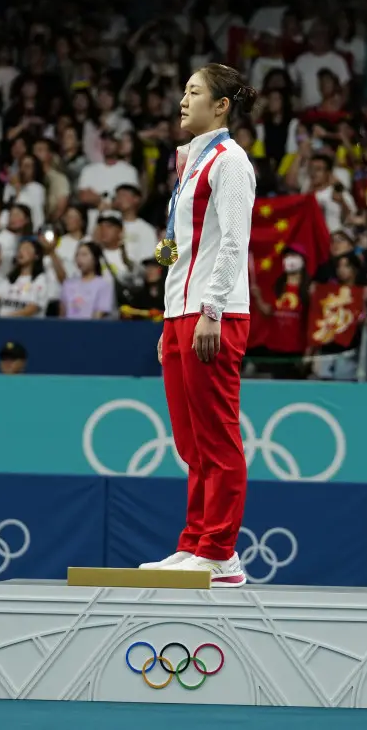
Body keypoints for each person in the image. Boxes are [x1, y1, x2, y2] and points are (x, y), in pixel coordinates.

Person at [140, 63, 257, 586]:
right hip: (181, 313)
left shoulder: (230, 162)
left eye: (193, 92)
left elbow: (234, 241)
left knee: (218, 438)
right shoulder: (191, 162)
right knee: (189, 442)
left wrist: (210, 309)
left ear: (222, 105)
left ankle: (222, 553)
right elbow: (184, 249)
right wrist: (170, 322)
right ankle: (195, 544)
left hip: (216, 314)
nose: (182, 100)